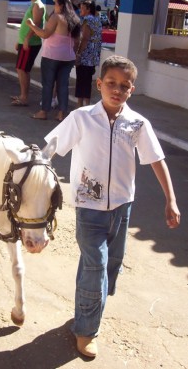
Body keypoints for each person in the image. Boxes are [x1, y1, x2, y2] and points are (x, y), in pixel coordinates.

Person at [44, 55, 181, 358]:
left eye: (124, 86)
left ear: (132, 90)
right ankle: (86, 330)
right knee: (96, 264)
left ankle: (86, 309)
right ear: (99, 84)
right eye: (111, 84)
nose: (117, 90)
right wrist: (35, 175)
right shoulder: (81, 118)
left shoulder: (137, 124)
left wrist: (170, 200)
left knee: (109, 265)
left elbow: (156, 160)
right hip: (88, 207)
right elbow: (51, 148)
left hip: (122, 208)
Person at [27, 0, 80, 121]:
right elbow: (77, 41)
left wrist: (32, 25)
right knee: (63, 85)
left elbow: (45, 34)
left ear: (60, 5)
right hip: (68, 57)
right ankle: (62, 113)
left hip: (52, 56)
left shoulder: (57, 17)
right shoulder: (75, 20)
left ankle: (43, 111)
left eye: (55, 4)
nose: (54, 6)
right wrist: (74, 54)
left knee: (48, 84)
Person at [10, 0, 45, 107]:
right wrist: (19, 41)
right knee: (22, 69)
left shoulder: (38, 6)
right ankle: (22, 95)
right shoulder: (33, 5)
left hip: (30, 43)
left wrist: (26, 40)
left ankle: (24, 98)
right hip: (24, 42)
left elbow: (35, 25)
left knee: (22, 69)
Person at [75, 0, 102, 108]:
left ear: (88, 9)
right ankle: (86, 105)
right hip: (94, 56)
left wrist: (79, 54)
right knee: (87, 82)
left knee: (81, 81)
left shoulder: (87, 20)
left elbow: (85, 39)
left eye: (82, 8)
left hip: (86, 56)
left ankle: (80, 105)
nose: (80, 10)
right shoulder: (97, 20)